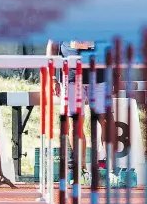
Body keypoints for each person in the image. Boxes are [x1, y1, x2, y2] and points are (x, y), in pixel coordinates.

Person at [47, 40, 113, 184]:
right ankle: (81, 170)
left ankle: (110, 170)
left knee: (106, 120)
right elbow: (52, 44)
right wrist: (52, 77)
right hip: (71, 77)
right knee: (75, 124)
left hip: (99, 75)